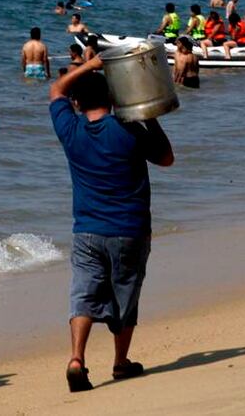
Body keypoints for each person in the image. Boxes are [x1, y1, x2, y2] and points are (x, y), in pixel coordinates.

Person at [48, 58, 174, 392]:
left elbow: (57, 89)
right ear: (113, 97)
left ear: (77, 103)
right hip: (130, 229)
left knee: (83, 294)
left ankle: (77, 358)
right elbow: (166, 159)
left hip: (87, 230)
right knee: (125, 295)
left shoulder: (71, 130)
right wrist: (147, 116)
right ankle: (120, 363)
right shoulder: (129, 127)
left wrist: (93, 62)